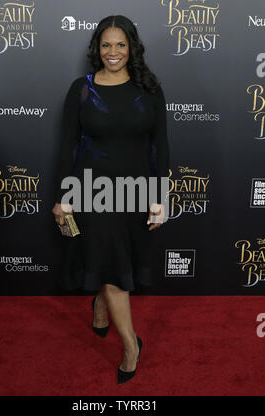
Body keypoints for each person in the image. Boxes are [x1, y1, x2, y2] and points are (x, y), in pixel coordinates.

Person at [52, 15, 170, 384]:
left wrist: (159, 196)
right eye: (106, 45)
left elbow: (160, 146)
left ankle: (100, 305)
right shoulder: (81, 89)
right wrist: (66, 198)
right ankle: (131, 346)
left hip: (135, 193)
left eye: (121, 44)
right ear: (96, 49)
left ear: (132, 47)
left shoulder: (149, 89)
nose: (113, 52)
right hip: (93, 194)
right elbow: (68, 147)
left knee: (114, 263)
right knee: (116, 270)